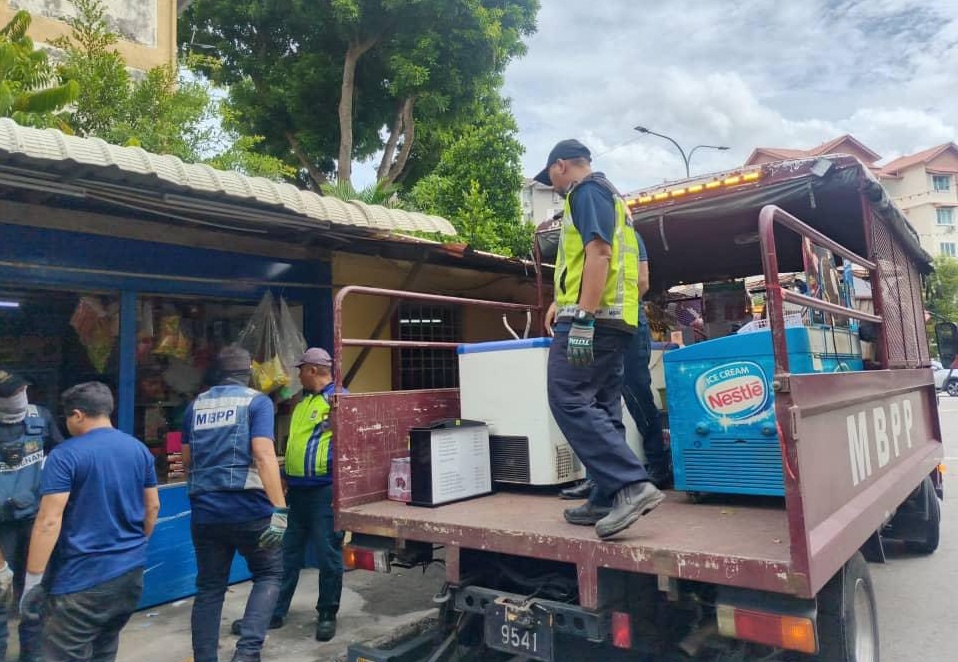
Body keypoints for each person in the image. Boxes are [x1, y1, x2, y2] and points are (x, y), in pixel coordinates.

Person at [534, 139, 665, 539]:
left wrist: (584, 318)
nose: (553, 185)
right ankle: (608, 494)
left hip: (596, 318)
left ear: (560, 167)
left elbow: (599, 253)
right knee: (602, 402)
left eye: (551, 177)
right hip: (618, 319)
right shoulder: (612, 196)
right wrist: (566, 301)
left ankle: (630, 485)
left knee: (568, 398)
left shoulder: (586, 192)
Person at [20, 381, 159, 662]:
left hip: (83, 579)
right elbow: (153, 505)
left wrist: (32, 582)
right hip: (129, 576)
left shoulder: (65, 455)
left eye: (68, 417)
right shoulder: (138, 449)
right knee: (104, 649)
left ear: (78, 415)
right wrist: (134, 547)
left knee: (61, 653)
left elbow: (48, 520)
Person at [232, 347, 345, 642]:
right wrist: (283, 475)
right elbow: (295, 443)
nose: (298, 375)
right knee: (286, 554)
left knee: (328, 555)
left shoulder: (339, 399)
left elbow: (351, 439)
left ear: (314, 370)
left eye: (301, 370)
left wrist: (338, 417)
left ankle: (327, 614)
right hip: (297, 491)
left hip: (325, 490)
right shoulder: (302, 403)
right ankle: (275, 611)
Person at [183, 345, 287, 662]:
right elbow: (263, 455)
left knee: (210, 588)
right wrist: (280, 509)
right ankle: (247, 653)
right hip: (250, 510)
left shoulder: (195, 407)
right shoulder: (258, 402)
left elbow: (186, 460)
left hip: (205, 513)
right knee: (269, 574)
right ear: (247, 373)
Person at [559, 232, 672, 499]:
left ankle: (657, 467)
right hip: (601, 322)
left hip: (622, 322)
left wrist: (604, 303)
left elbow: (642, 282)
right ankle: (604, 477)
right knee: (601, 401)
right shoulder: (596, 233)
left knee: (633, 394)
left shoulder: (626, 235)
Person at [0, 368, 62, 662]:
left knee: (35, 588)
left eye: (20, 391)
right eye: (11, 394)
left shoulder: (41, 417)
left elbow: (60, 458)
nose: (18, 398)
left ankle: (32, 653)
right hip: (2, 527)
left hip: (36, 520)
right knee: (0, 591)